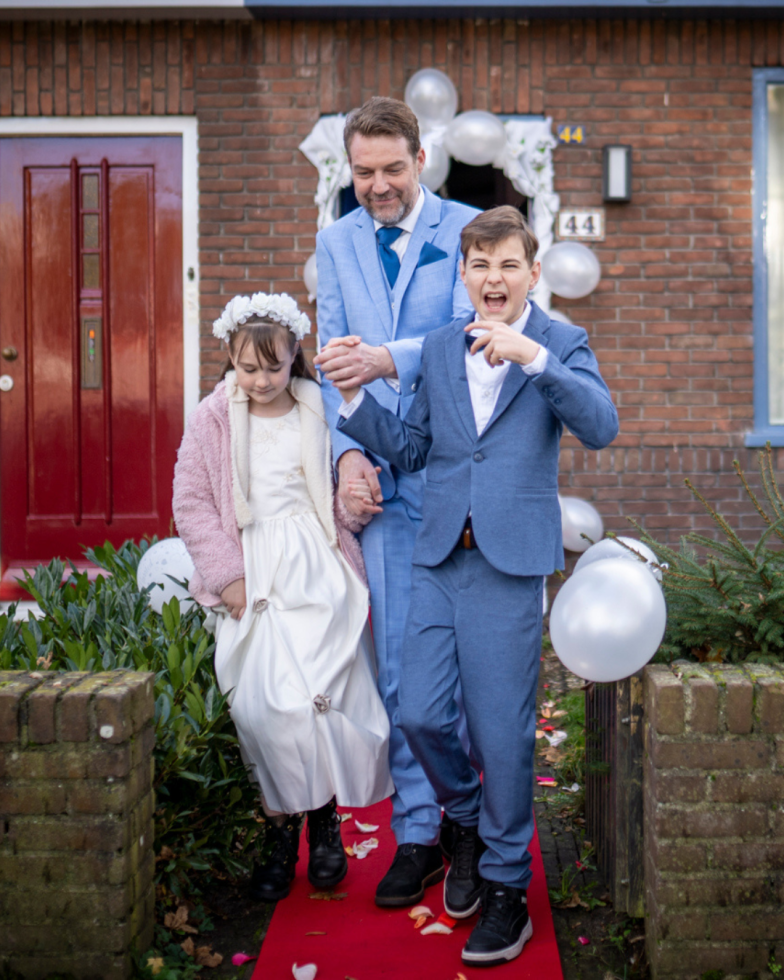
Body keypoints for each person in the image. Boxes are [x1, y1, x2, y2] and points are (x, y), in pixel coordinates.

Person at [336, 207, 619, 966]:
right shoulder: (437, 346)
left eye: (508, 265)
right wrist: (359, 406)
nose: (493, 279)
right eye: (479, 265)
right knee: (420, 713)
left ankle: (503, 886)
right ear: (464, 275)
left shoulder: (559, 343)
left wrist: (533, 358)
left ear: (532, 272)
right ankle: (461, 818)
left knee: (501, 731)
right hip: (438, 557)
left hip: (507, 564)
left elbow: (601, 425)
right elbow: (421, 447)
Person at [313, 96, 479, 907]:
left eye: (391, 170)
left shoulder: (470, 231)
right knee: (402, 678)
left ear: (421, 160)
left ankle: (470, 820)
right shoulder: (335, 240)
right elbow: (329, 364)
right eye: (363, 172)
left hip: (457, 479)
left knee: (466, 672)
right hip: (381, 486)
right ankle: (418, 830)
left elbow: (464, 341)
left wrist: (387, 358)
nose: (376, 186)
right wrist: (346, 459)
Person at [172, 292, 393, 904]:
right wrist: (227, 575)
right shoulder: (213, 416)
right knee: (267, 709)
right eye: (249, 368)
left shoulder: (318, 408)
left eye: (274, 366)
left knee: (321, 700)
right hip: (255, 571)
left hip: (318, 568)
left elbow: (337, 484)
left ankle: (323, 826)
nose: (262, 380)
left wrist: (352, 504)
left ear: (296, 354)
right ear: (231, 361)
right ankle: (279, 829)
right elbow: (190, 500)